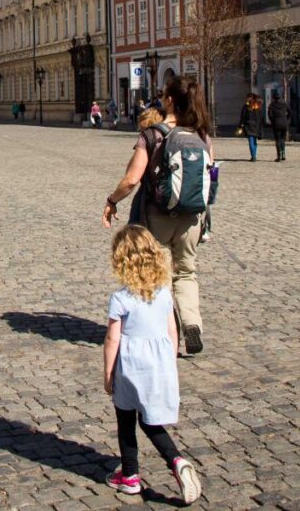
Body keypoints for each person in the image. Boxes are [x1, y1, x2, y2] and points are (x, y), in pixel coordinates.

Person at [102, 77, 214, 355]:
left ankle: (170, 335)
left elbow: (131, 179)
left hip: (158, 214)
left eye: (164, 94)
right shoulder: (201, 134)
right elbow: (209, 175)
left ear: (171, 100)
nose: (161, 97)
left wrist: (112, 201)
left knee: (159, 276)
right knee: (187, 272)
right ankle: (192, 324)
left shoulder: (153, 134)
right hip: (192, 216)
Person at [103, 225, 202, 504]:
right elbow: (172, 330)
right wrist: (169, 361)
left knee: (126, 419)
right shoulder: (163, 293)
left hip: (130, 367)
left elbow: (112, 339)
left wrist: (108, 372)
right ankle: (176, 462)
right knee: (151, 420)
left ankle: (131, 476)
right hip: (159, 365)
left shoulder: (120, 298)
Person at [238, 93, 264, 162]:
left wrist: (240, 125)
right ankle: (254, 155)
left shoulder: (246, 106)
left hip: (248, 126)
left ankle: (253, 156)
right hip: (256, 126)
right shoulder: (258, 106)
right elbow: (261, 117)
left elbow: (243, 117)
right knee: (254, 141)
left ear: (249, 98)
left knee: (251, 141)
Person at [267, 91, 291, 162]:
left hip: (276, 123)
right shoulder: (284, 104)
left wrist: (273, 122)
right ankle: (283, 154)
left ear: (273, 98)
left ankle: (279, 156)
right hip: (284, 123)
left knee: (277, 140)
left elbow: (270, 116)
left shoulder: (271, 105)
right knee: (282, 139)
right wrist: (287, 120)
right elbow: (290, 112)